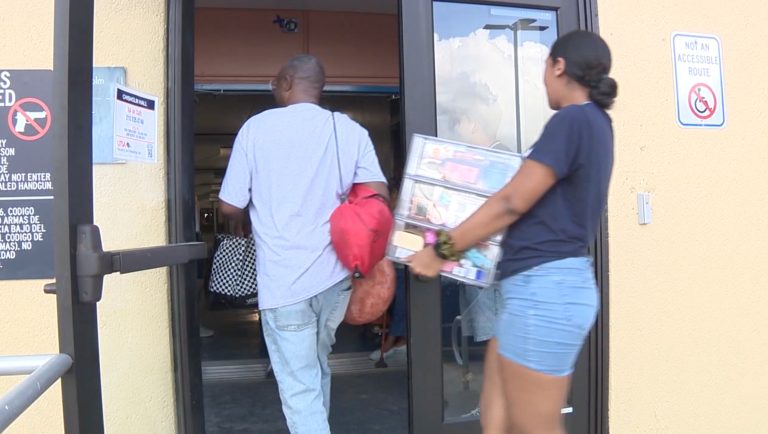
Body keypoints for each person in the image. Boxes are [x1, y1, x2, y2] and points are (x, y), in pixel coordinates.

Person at [408, 30, 617, 434]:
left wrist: (439, 250)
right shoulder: (594, 124)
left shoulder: (573, 120)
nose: (543, 80)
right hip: (535, 290)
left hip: (546, 291)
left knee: (534, 426)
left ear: (558, 66)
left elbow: (511, 202)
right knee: (497, 411)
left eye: (545, 68)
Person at [218, 54, 388, 434]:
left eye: (275, 82)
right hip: (336, 279)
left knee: (299, 387)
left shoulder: (256, 129)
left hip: (285, 282)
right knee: (315, 367)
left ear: (289, 81)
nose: (272, 88)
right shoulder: (349, 131)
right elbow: (376, 195)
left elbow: (231, 203)